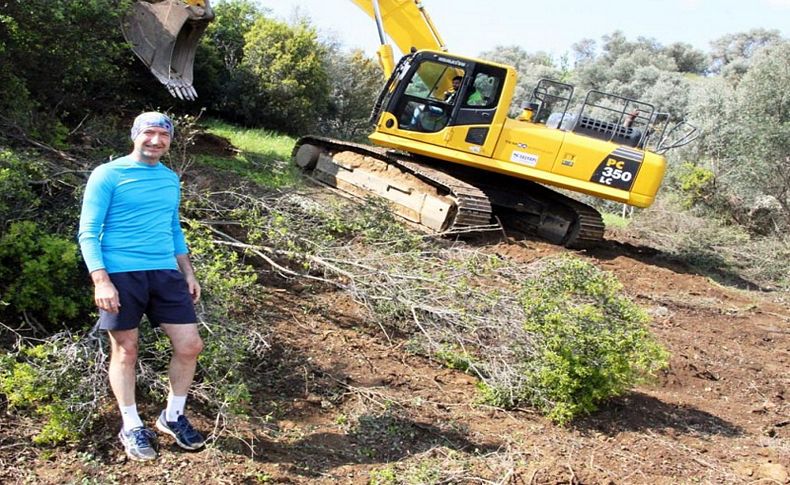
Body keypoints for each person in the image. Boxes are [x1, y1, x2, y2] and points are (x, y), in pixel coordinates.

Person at [78, 112, 205, 461]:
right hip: (121, 274)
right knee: (126, 350)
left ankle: (172, 416)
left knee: (190, 345)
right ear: (135, 135)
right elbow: (88, 231)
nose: (156, 140)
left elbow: (173, 228)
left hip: (165, 273)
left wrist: (188, 272)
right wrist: (101, 280)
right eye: (149, 133)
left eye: (163, 135)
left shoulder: (169, 179)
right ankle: (131, 424)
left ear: (170, 141)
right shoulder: (108, 174)